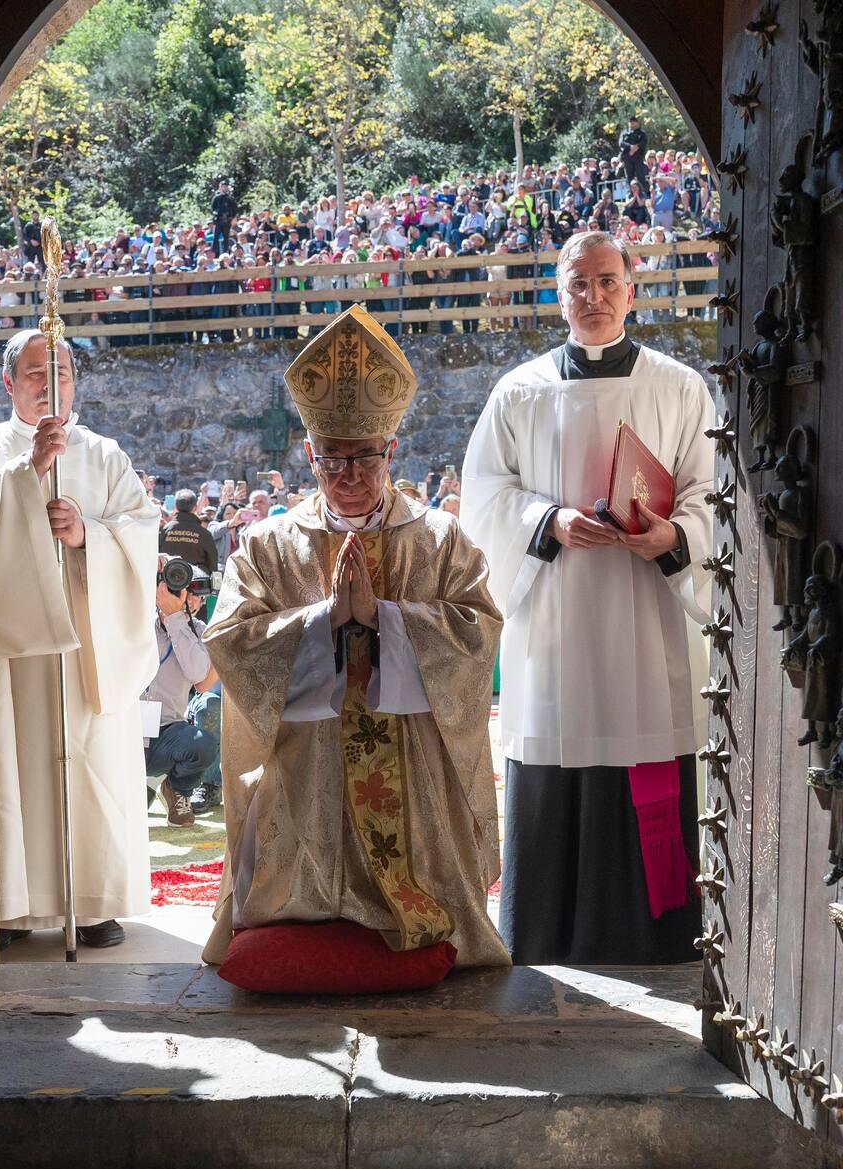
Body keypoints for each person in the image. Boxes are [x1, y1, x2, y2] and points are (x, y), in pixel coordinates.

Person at [200, 304, 509, 971]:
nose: (347, 476)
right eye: (331, 461)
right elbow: (229, 638)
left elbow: (479, 632)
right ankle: (307, 907)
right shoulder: (268, 543)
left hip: (413, 759)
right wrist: (325, 623)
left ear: (391, 451)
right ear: (310, 454)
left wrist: (383, 620)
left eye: (363, 459)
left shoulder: (439, 539)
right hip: (306, 760)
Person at [461, 231, 715, 965]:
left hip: (648, 617)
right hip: (555, 620)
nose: (593, 297)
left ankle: (657, 935)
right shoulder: (519, 391)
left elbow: (714, 489)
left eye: (607, 282)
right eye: (578, 284)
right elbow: (484, 496)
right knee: (555, 753)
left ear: (632, 289)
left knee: (649, 746)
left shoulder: (678, 386)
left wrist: (673, 534)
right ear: (558, 292)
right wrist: (547, 521)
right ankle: (546, 934)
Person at [0, 330, 158, 952]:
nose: (50, 383)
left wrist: (89, 532)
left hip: (89, 645)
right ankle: (9, 905)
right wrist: (25, 477)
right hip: (14, 655)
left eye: (60, 370)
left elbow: (142, 531)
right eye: (36, 372)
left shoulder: (103, 455)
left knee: (87, 760)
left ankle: (90, 900)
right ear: (9, 383)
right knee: (12, 764)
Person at [143, 558, 220, 827]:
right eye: (177, 589)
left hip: (167, 734)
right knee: (131, 813)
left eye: (194, 594)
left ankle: (177, 788)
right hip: (123, 733)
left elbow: (200, 676)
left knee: (202, 744)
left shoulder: (200, 633)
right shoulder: (139, 623)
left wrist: (176, 620)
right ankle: (149, 783)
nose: (188, 600)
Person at [160, 488, 219, 575]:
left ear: (175, 506)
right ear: (195, 508)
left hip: (168, 580)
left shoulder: (165, 530)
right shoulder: (204, 533)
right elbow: (212, 564)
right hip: (197, 583)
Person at [619, 117, 649, 189]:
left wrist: (636, 147)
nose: (632, 123)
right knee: (629, 177)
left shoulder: (641, 134)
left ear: (637, 123)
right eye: (631, 122)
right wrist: (630, 147)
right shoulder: (624, 133)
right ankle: (631, 194)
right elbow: (621, 143)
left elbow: (644, 142)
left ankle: (642, 194)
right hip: (628, 157)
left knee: (640, 176)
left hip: (638, 157)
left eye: (634, 122)